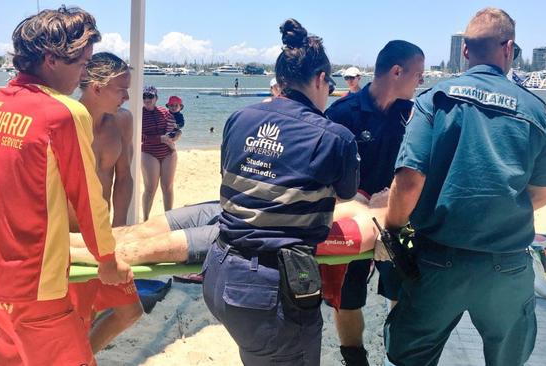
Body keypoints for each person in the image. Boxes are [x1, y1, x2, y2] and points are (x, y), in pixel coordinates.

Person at [383, 8, 546, 366]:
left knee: (409, 357)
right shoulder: (536, 110)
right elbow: (544, 194)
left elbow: (408, 181)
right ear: (509, 47)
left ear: (464, 51)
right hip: (507, 265)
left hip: (437, 261)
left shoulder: (434, 99)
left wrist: (393, 230)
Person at [0, 7, 132, 366]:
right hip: (34, 287)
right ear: (51, 59)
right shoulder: (62, 113)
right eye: (81, 64)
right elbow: (88, 198)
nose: (83, 74)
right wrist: (107, 259)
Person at [203, 19, 359, 365]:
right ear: (320, 79)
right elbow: (347, 194)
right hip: (271, 290)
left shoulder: (239, 118)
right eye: (330, 85)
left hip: (219, 270)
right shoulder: (334, 137)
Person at [324, 40, 425, 366]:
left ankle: (397, 354)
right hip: (350, 220)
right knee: (347, 298)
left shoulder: (415, 117)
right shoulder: (342, 114)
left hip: (397, 220)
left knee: (402, 292)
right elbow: (319, 177)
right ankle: (354, 358)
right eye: (418, 75)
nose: (420, 83)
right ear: (397, 71)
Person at [70, 191, 388, 266]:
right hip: (232, 208)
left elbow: (308, 241)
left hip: (241, 232)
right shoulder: (360, 202)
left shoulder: (369, 227)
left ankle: (61, 255)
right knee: (135, 231)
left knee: (136, 251)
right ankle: (53, 241)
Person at [68, 51, 143, 355]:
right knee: (77, 317)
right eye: (121, 89)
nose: (127, 96)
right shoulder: (67, 121)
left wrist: (120, 228)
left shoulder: (122, 121)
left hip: (103, 237)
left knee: (130, 311)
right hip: (70, 239)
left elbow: (123, 178)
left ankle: (79, 358)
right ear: (96, 87)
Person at [141, 85, 180, 220]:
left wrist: (177, 135)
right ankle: (145, 219)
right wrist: (159, 139)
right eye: (144, 96)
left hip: (168, 152)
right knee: (150, 188)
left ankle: (169, 219)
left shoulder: (165, 112)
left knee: (167, 187)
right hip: (149, 153)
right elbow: (138, 137)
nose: (147, 99)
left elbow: (175, 129)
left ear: (156, 98)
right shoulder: (139, 114)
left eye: (150, 96)